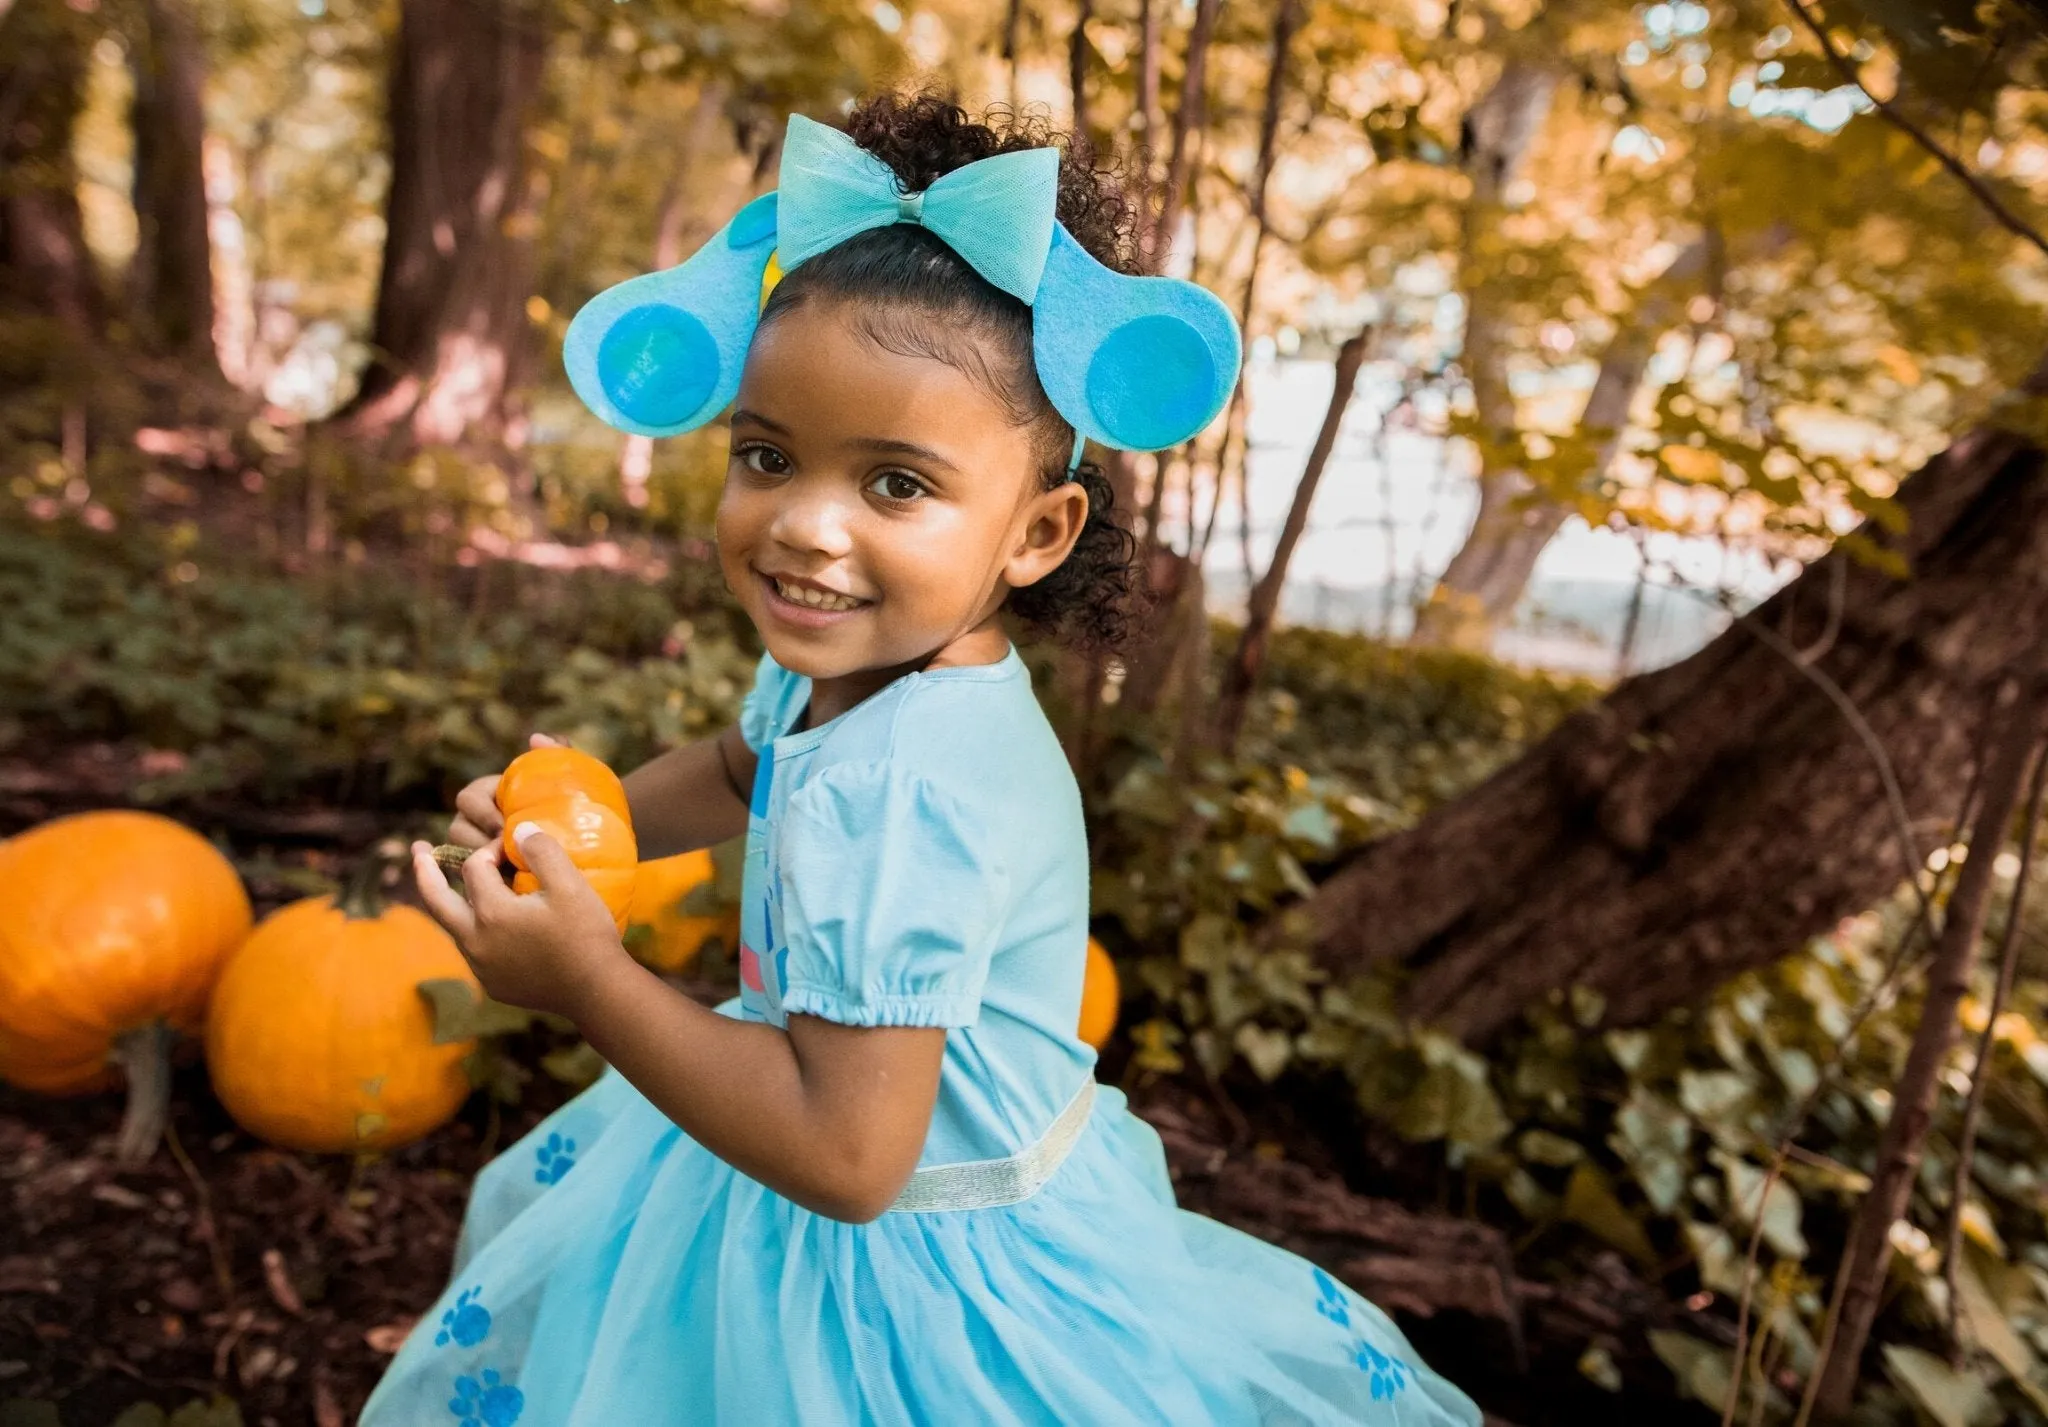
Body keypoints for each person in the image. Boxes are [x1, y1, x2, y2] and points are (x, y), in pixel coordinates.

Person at [361, 92, 1481, 1427]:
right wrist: (585, 821)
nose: (805, 528)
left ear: (1039, 531)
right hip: (821, 1141)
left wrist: (589, 978)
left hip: (904, 1276)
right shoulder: (852, 668)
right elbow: (739, 769)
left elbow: (846, 1157)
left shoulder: (910, 787)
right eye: (769, 456)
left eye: (896, 483)